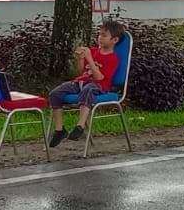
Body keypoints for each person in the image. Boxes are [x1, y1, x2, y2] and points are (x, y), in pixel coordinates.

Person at [47, 19, 125, 148]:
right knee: (55, 93)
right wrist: (81, 59)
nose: (100, 38)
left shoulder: (113, 58)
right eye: (99, 34)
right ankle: (59, 130)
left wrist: (89, 58)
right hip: (82, 81)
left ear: (114, 40)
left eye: (104, 35)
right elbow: (81, 72)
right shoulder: (94, 51)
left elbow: (99, 78)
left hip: (99, 85)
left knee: (88, 89)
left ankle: (80, 126)